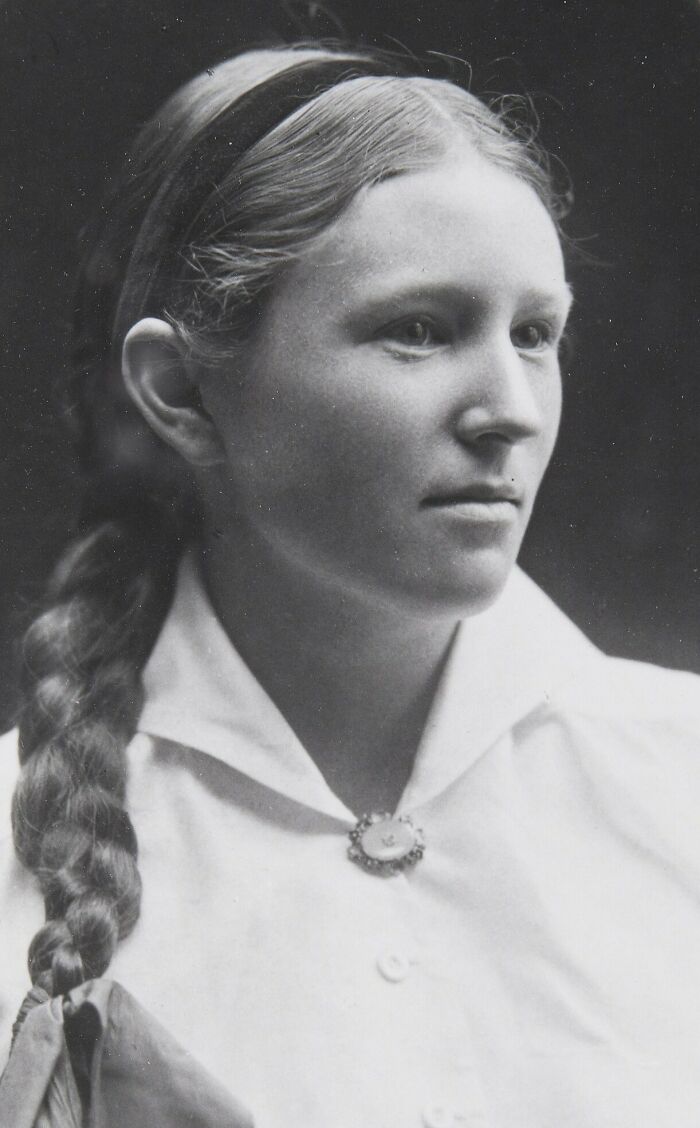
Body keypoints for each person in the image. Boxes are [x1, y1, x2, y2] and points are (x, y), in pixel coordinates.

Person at [0, 41, 699, 1128]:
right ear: (181, 390)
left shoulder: (677, 776)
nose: (508, 406)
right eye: (417, 332)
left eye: (536, 333)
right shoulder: (19, 848)